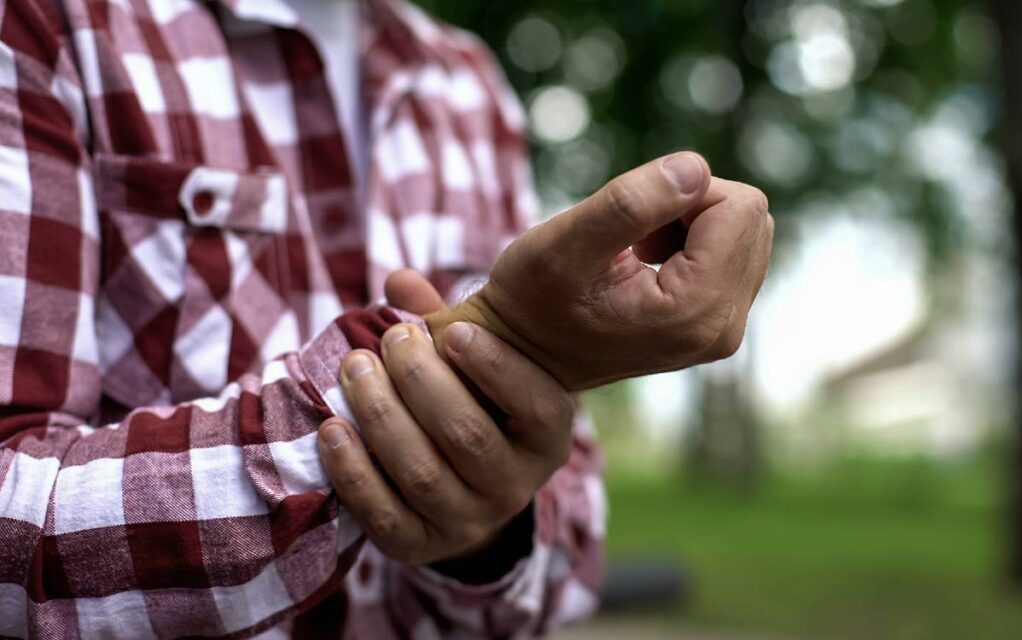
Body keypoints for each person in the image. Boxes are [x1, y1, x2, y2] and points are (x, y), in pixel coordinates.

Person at [0, 0, 773, 637]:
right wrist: (498, 348)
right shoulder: (52, 24)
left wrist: (484, 535)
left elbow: (564, 563)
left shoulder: (468, 85)